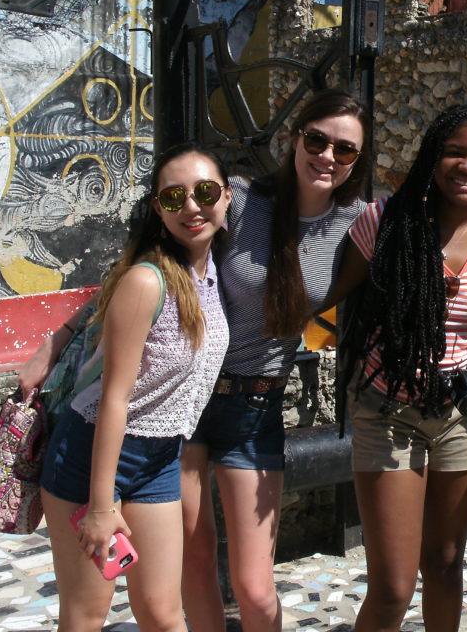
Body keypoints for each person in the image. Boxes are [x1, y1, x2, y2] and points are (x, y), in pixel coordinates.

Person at [180, 89, 368, 632]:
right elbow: (156, 258)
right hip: (188, 394)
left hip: (255, 408)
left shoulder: (356, 225)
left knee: (256, 591)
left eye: (345, 150)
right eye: (317, 140)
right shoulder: (240, 199)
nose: (328, 156)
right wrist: (66, 339)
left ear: (356, 160)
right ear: (295, 138)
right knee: (194, 565)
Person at [321, 104, 467, 632]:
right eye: (455, 152)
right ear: (431, 156)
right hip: (388, 413)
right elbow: (331, 295)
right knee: (393, 586)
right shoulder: (384, 223)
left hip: (461, 419)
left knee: (447, 564)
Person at [36, 142, 232, 632]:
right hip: (94, 458)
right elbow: (114, 399)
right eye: (174, 198)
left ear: (226, 197)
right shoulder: (147, 281)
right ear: (157, 209)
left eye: (205, 192)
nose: (191, 206)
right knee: (87, 615)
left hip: (161, 459)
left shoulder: (207, 275)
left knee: (164, 614)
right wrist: (102, 506)